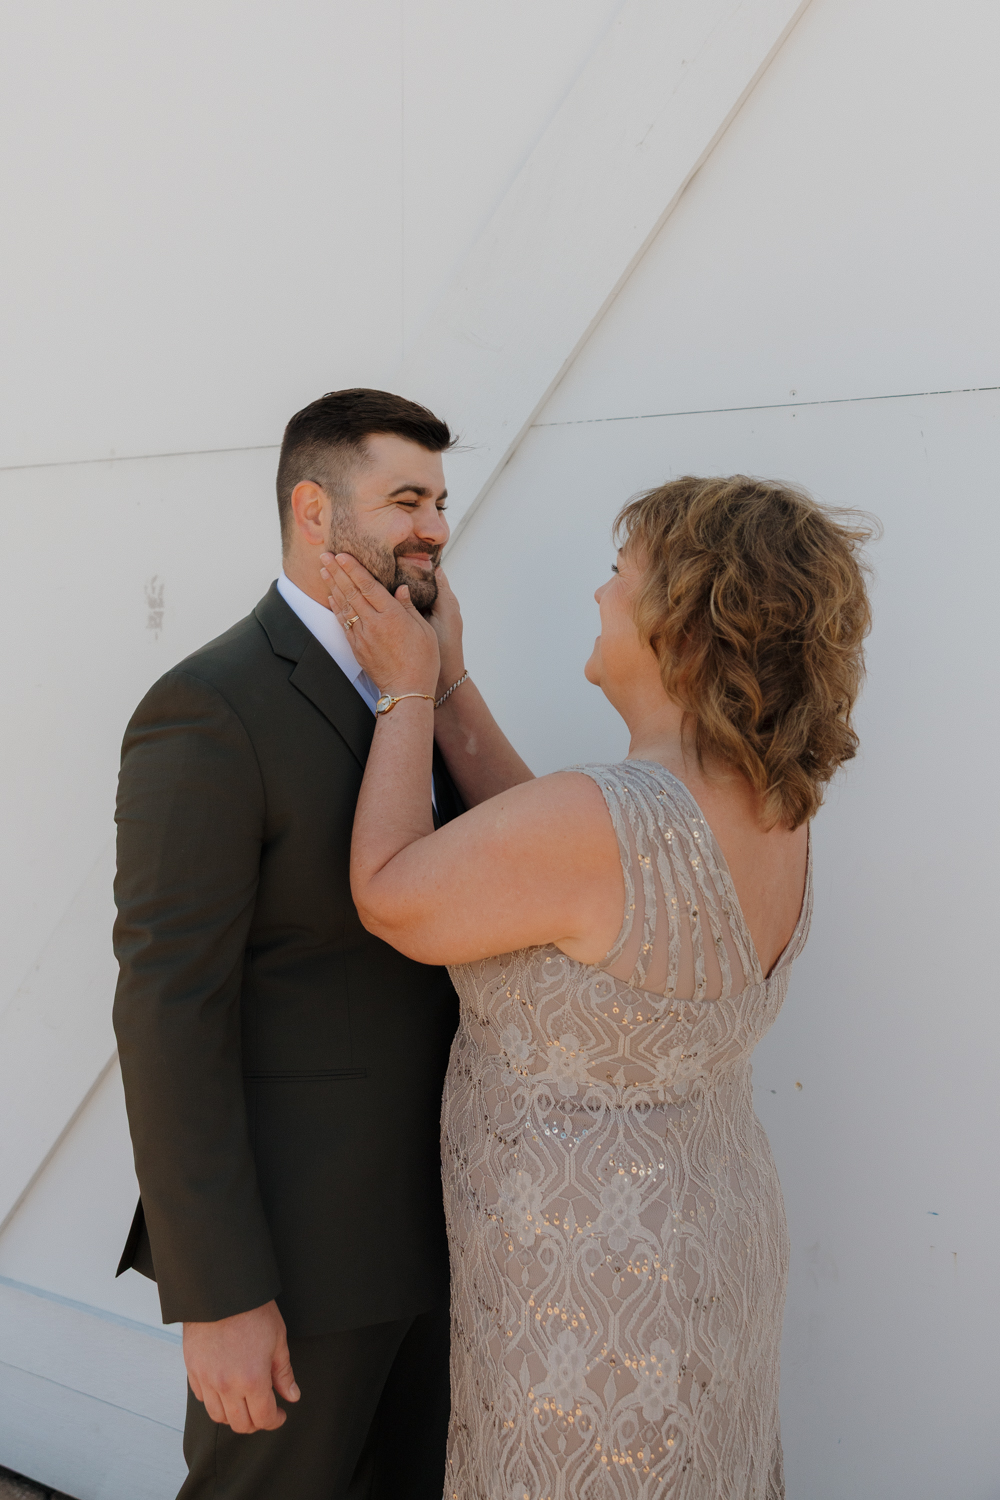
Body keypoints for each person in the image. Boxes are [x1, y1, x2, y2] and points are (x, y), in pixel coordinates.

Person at [322, 474, 874, 1499]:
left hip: (590, 1301)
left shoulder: (606, 822)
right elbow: (548, 858)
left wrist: (403, 692)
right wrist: (451, 686)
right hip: (708, 1252)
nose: (598, 595)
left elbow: (394, 893)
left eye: (620, 576)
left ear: (687, 626)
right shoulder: (772, 801)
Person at [112, 389, 467, 1500]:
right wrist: (216, 1293)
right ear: (314, 513)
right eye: (405, 499)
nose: (435, 529)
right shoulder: (208, 708)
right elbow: (168, 1009)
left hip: (448, 1242)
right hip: (297, 1269)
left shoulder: (423, 683)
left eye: (442, 503)